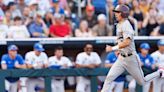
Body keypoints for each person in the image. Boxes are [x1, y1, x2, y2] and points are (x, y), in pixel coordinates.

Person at [101, 4, 164, 92]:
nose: (115, 14)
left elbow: (127, 42)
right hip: (121, 58)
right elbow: (120, 40)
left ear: (123, 13)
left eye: (117, 12)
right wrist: (118, 49)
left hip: (131, 58)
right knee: (109, 78)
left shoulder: (126, 25)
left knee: (142, 82)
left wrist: (113, 48)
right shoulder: (119, 24)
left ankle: (159, 73)